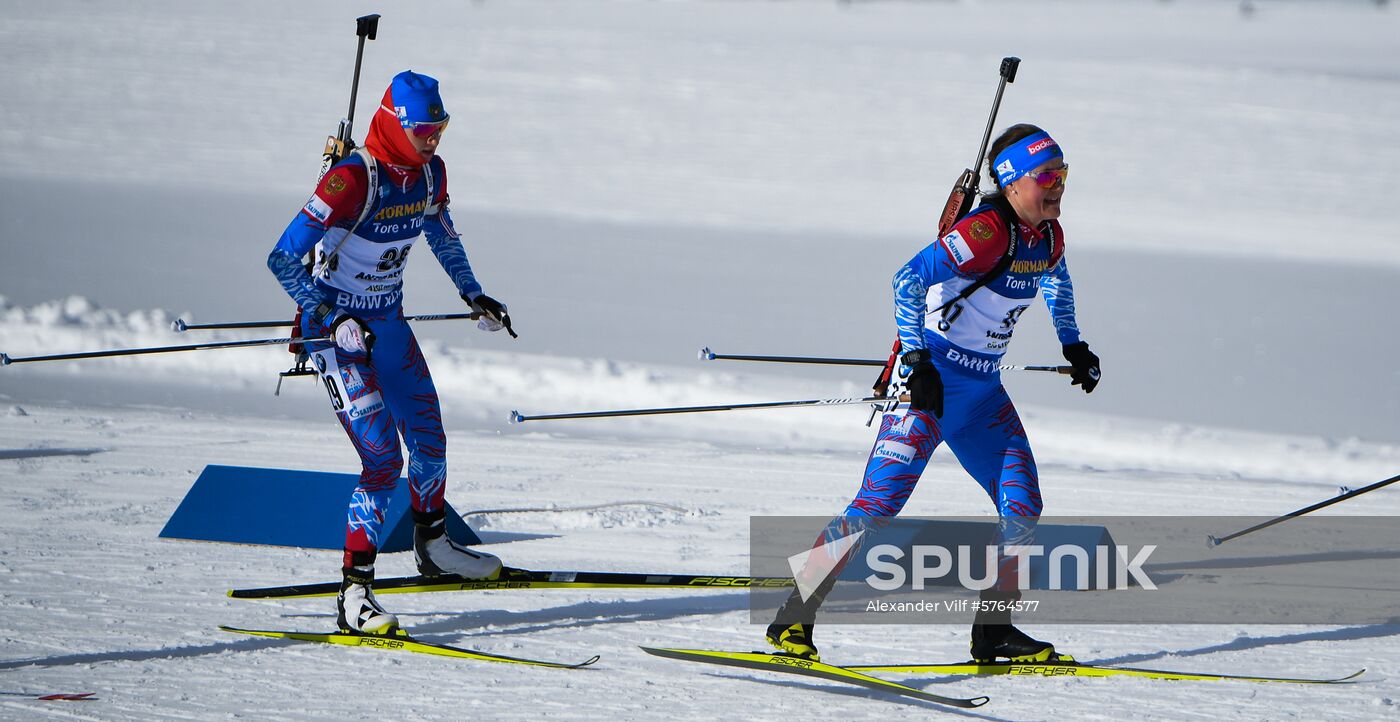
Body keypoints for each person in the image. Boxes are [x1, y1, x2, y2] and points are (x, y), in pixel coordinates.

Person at [766, 124, 1101, 662]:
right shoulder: (988, 230)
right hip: (931, 389)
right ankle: (793, 617)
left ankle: (994, 630)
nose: (1058, 185)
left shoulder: (1047, 236)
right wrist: (918, 361)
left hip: (983, 396)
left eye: (1063, 174)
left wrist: (1074, 344)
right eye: (1047, 176)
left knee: (1023, 506)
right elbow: (907, 279)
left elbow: (1057, 280)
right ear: (1013, 181)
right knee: (876, 507)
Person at [267, 70, 513, 635]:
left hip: (388, 323)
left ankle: (433, 546)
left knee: (430, 437)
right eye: (426, 129)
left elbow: (442, 234)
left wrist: (473, 293)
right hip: (334, 333)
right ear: (398, 124)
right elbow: (282, 257)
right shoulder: (354, 178)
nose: (435, 139)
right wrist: (330, 316)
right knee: (382, 461)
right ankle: (355, 592)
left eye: (441, 127)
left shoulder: (430, 174)